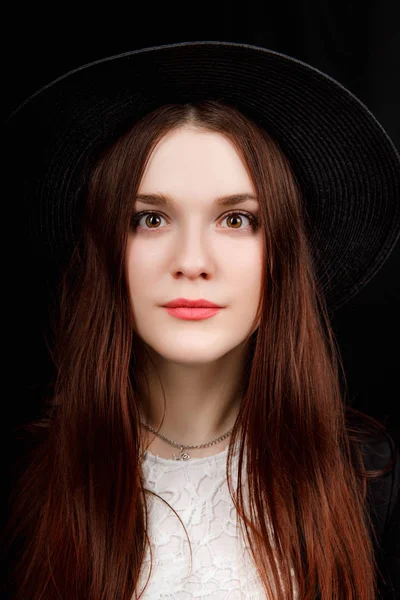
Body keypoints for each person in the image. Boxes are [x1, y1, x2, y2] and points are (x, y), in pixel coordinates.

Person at [2, 41, 399, 599]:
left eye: (236, 219)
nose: (191, 262)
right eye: (151, 218)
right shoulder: (23, 481)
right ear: (104, 248)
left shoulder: (372, 480)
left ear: (282, 251)